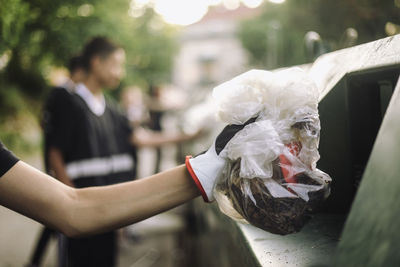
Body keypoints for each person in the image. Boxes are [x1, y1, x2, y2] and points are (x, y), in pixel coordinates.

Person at [46, 36, 199, 267]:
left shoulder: (112, 109)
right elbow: (54, 153)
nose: (120, 72)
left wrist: (188, 136)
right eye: (116, 64)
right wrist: (70, 203)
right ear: (97, 62)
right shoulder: (69, 103)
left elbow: (140, 138)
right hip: (80, 211)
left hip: (108, 211)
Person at [26, 56, 86, 267]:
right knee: (56, 216)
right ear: (78, 71)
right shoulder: (63, 93)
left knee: (52, 218)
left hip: (53, 155)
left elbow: (43, 120)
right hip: (55, 158)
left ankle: (35, 260)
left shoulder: (61, 92)